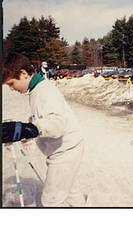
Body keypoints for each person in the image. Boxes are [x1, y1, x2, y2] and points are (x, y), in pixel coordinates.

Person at [2, 52, 86, 207]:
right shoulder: (36, 89)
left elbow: (58, 123)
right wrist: (23, 130)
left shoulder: (44, 91)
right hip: (62, 149)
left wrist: (30, 129)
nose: (11, 89)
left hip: (66, 150)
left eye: (11, 83)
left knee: (50, 201)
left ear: (23, 73)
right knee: (69, 189)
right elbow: (41, 117)